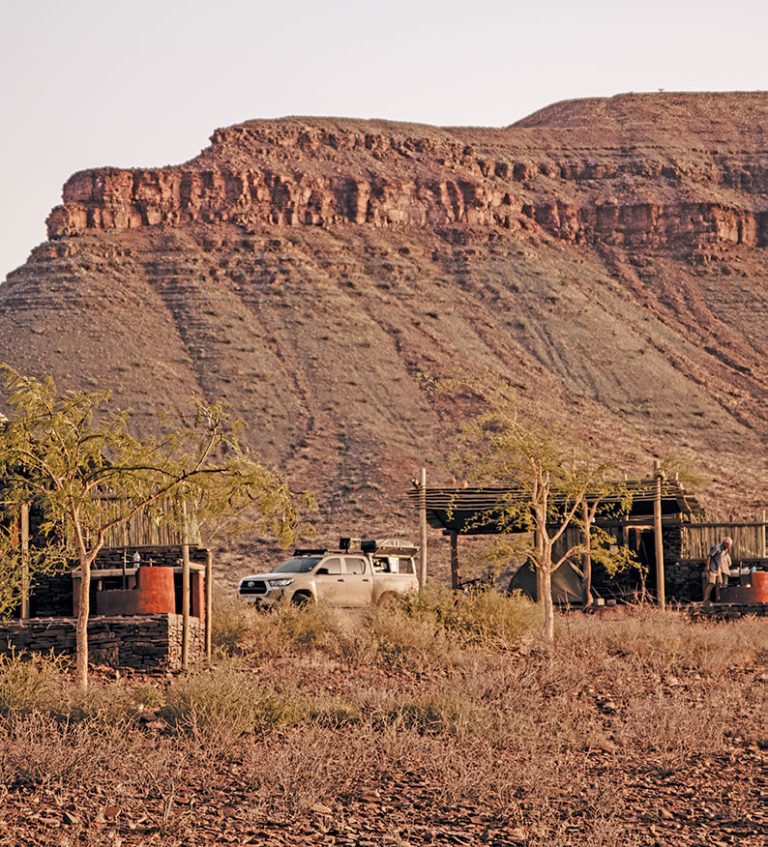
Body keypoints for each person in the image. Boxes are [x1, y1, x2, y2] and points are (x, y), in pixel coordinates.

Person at [702, 537, 733, 603]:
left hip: (718, 568)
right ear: (725, 543)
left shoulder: (726, 550)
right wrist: (707, 566)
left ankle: (718, 598)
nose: (729, 547)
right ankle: (706, 598)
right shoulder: (717, 548)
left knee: (720, 583)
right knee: (711, 583)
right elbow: (709, 556)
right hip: (713, 567)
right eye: (728, 545)